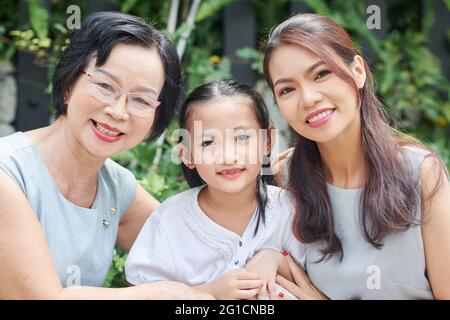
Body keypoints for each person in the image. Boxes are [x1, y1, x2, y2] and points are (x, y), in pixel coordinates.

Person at [0, 11, 211, 299]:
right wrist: (152, 294)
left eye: (140, 100)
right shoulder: (8, 174)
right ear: (68, 84)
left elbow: (201, 253)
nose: (118, 111)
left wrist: (269, 253)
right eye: (104, 86)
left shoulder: (116, 188)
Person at [260, 13, 450, 300]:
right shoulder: (287, 178)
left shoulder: (419, 172)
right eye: (287, 89)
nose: (308, 98)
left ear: (358, 71)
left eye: (321, 74)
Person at [125, 80, 305, 300]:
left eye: (241, 138)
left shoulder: (292, 210)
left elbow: (319, 284)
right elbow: (144, 295)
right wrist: (211, 292)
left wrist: (277, 260)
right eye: (208, 142)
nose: (228, 156)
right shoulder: (171, 220)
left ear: (267, 141)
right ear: (186, 154)